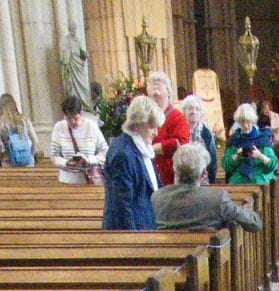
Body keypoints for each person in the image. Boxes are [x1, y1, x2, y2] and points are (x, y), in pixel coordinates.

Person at [153, 144, 263, 232]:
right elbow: (254, 224)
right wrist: (246, 208)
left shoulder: (157, 197)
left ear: (175, 169)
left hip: (169, 258)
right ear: (203, 174)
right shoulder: (217, 198)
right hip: (208, 259)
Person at [102, 96, 164, 230]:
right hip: (131, 231)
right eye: (152, 127)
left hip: (144, 224)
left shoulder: (139, 148)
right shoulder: (123, 154)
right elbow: (123, 206)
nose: (156, 132)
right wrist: (133, 240)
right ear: (136, 125)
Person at [50, 95, 108, 184]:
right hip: (66, 181)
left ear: (81, 112)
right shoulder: (59, 127)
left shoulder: (91, 126)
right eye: (69, 119)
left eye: (75, 118)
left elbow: (105, 152)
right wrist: (67, 162)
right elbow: (54, 157)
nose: (72, 122)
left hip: (88, 179)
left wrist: (89, 160)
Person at [146, 71, 189, 187]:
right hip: (148, 177)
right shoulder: (144, 117)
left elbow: (180, 143)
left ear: (169, 91)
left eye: (160, 81)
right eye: (152, 82)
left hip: (170, 180)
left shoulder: (176, 117)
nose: (155, 83)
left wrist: (150, 149)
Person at [222, 103, 278, 184]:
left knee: (258, 183)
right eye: (242, 122)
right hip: (238, 180)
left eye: (248, 122)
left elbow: (274, 165)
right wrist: (237, 155)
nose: (245, 125)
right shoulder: (234, 139)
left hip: (260, 179)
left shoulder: (262, 138)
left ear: (252, 121)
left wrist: (260, 156)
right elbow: (226, 167)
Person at [0, 93, 38, 167]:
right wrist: (30, 154)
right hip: (26, 159)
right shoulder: (24, 118)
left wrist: (1, 156)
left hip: (9, 160)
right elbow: (35, 141)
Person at [182, 94, 217, 183]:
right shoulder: (180, 130)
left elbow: (212, 159)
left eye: (197, 109)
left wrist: (212, 181)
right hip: (183, 179)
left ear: (201, 113)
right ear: (184, 112)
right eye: (190, 108)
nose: (194, 111)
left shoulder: (206, 133)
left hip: (203, 179)